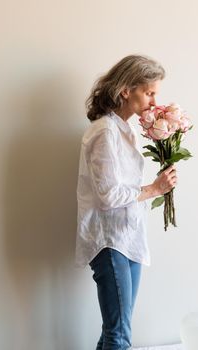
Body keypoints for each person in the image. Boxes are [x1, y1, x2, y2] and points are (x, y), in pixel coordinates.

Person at [75, 54, 177, 350]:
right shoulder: (105, 131)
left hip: (126, 236)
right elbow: (108, 196)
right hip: (109, 240)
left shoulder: (125, 129)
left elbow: (125, 187)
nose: (154, 100)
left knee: (113, 330)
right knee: (119, 335)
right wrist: (156, 188)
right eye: (149, 92)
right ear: (125, 91)